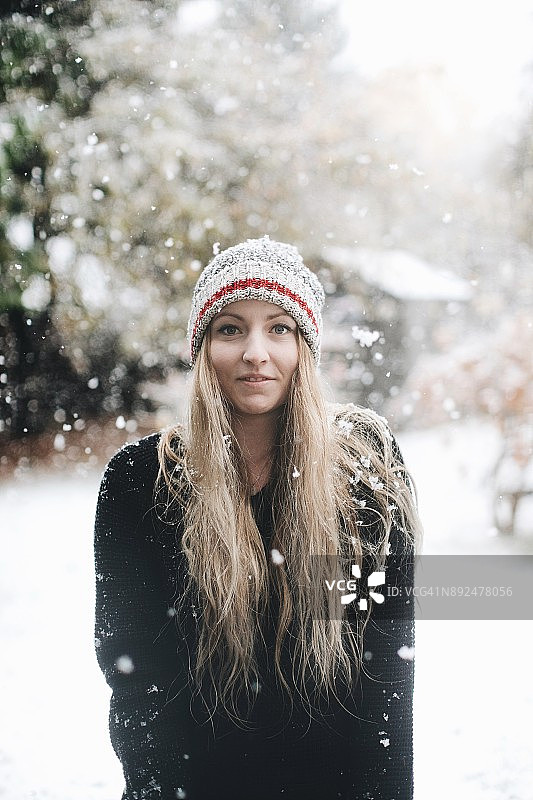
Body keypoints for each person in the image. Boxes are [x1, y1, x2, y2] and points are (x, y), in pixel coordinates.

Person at [94, 236, 423, 800]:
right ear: (202, 350)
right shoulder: (138, 481)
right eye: (230, 328)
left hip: (332, 782)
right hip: (199, 781)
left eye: (279, 328)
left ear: (306, 347)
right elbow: (136, 674)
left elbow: (385, 655)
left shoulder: (364, 466)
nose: (255, 351)